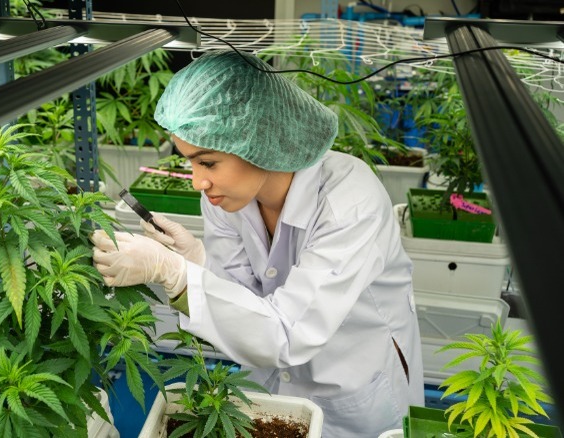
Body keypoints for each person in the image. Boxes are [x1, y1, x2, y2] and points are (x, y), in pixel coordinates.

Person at [90, 49, 424, 437]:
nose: (198, 181)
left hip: (354, 386)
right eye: (190, 163)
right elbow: (246, 300)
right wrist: (198, 261)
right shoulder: (226, 197)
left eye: (208, 163)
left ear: (258, 140)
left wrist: (175, 274)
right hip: (272, 381)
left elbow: (287, 332)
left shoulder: (350, 204)